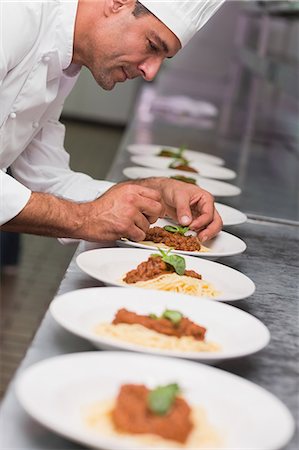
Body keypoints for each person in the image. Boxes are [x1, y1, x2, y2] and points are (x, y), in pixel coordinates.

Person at [0, 0, 224, 244]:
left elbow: (47, 178)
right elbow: (83, 213)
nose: (151, 72)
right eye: (152, 45)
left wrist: (153, 193)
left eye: (163, 58)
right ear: (117, 3)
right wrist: (85, 218)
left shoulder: (66, 60)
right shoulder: (13, 14)